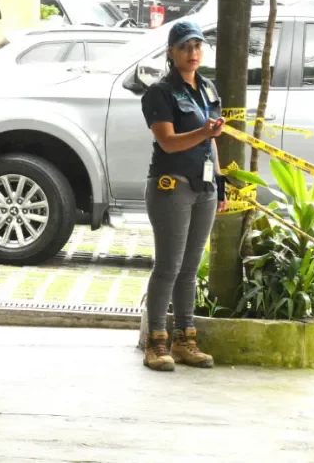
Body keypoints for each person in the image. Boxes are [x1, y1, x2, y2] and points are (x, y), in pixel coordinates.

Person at [139, 20, 228, 372]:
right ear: (171, 53)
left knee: (190, 269)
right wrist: (203, 131)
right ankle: (156, 342)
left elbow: (213, 141)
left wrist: (219, 182)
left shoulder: (207, 89)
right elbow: (168, 142)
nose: (193, 53)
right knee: (169, 266)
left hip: (203, 186)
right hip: (171, 184)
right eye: (185, 47)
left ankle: (185, 339)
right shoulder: (160, 92)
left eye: (197, 46)